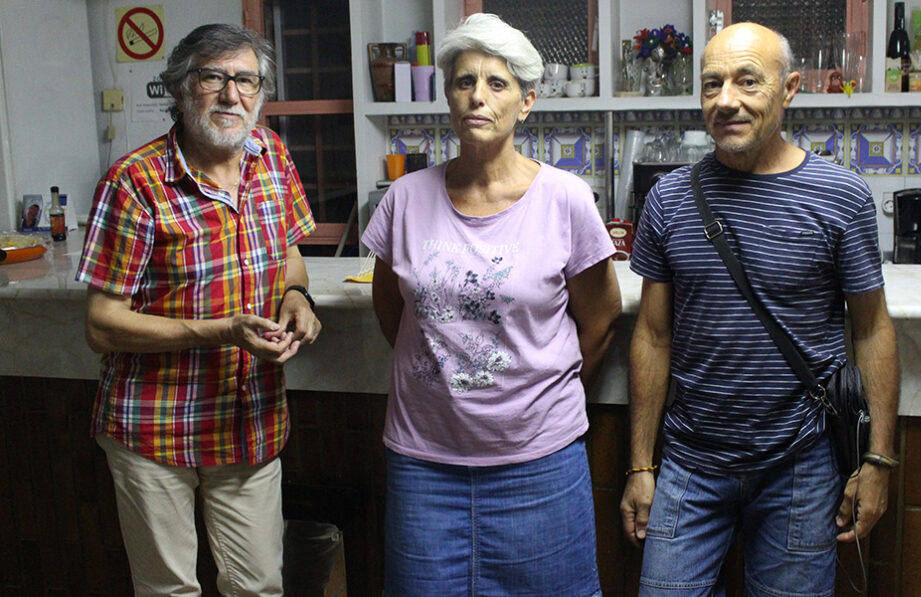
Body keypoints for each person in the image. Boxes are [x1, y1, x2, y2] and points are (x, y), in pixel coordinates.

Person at [620, 22, 900, 595]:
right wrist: (640, 465)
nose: (727, 100)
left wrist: (878, 462)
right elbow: (652, 335)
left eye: (748, 81)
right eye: (712, 84)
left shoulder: (840, 195)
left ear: (789, 87)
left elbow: (871, 330)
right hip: (689, 463)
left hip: (801, 465)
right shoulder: (669, 199)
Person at [361, 13, 621, 596]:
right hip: (425, 463)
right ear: (448, 97)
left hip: (540, 462)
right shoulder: (405, 199)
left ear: (526, 101)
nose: (478, 96)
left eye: (497, 83)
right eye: (463, 81)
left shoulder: (566, 199)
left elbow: (601, 319)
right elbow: (389, 310)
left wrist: (536, 392)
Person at [76, 24, 320, 596]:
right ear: (182, 90)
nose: (232, 95)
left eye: (246, 80)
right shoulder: (135, 182)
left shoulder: (272, 156)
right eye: (214, 78)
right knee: (168, 591)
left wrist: (296, 297)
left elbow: (290, 256)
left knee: (258, 586)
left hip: (249, 419)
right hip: (156, 426)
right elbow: (101, 325)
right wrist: (223, 331)